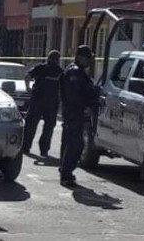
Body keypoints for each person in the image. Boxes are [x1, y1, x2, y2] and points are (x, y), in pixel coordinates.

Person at [59, 45, 98, 187]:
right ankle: (66, 174)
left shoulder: (79, 73)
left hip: (75, 114)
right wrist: (85, 106)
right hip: (74, 114)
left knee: (73, 144)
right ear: (80, 57)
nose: (89, 61)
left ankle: (66, 171)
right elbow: (74, 96)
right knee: (75, 145)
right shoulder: (74, 73)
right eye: (87, 58)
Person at [22, 50, 64, 157]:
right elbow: (63, 88)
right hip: (50, 103)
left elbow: (27, 76)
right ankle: (43, 150)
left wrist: (28, 88)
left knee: (32, 125)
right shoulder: (60, 71)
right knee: (47, 127)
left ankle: (26, 147)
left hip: (39, 101)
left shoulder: (40, 68)